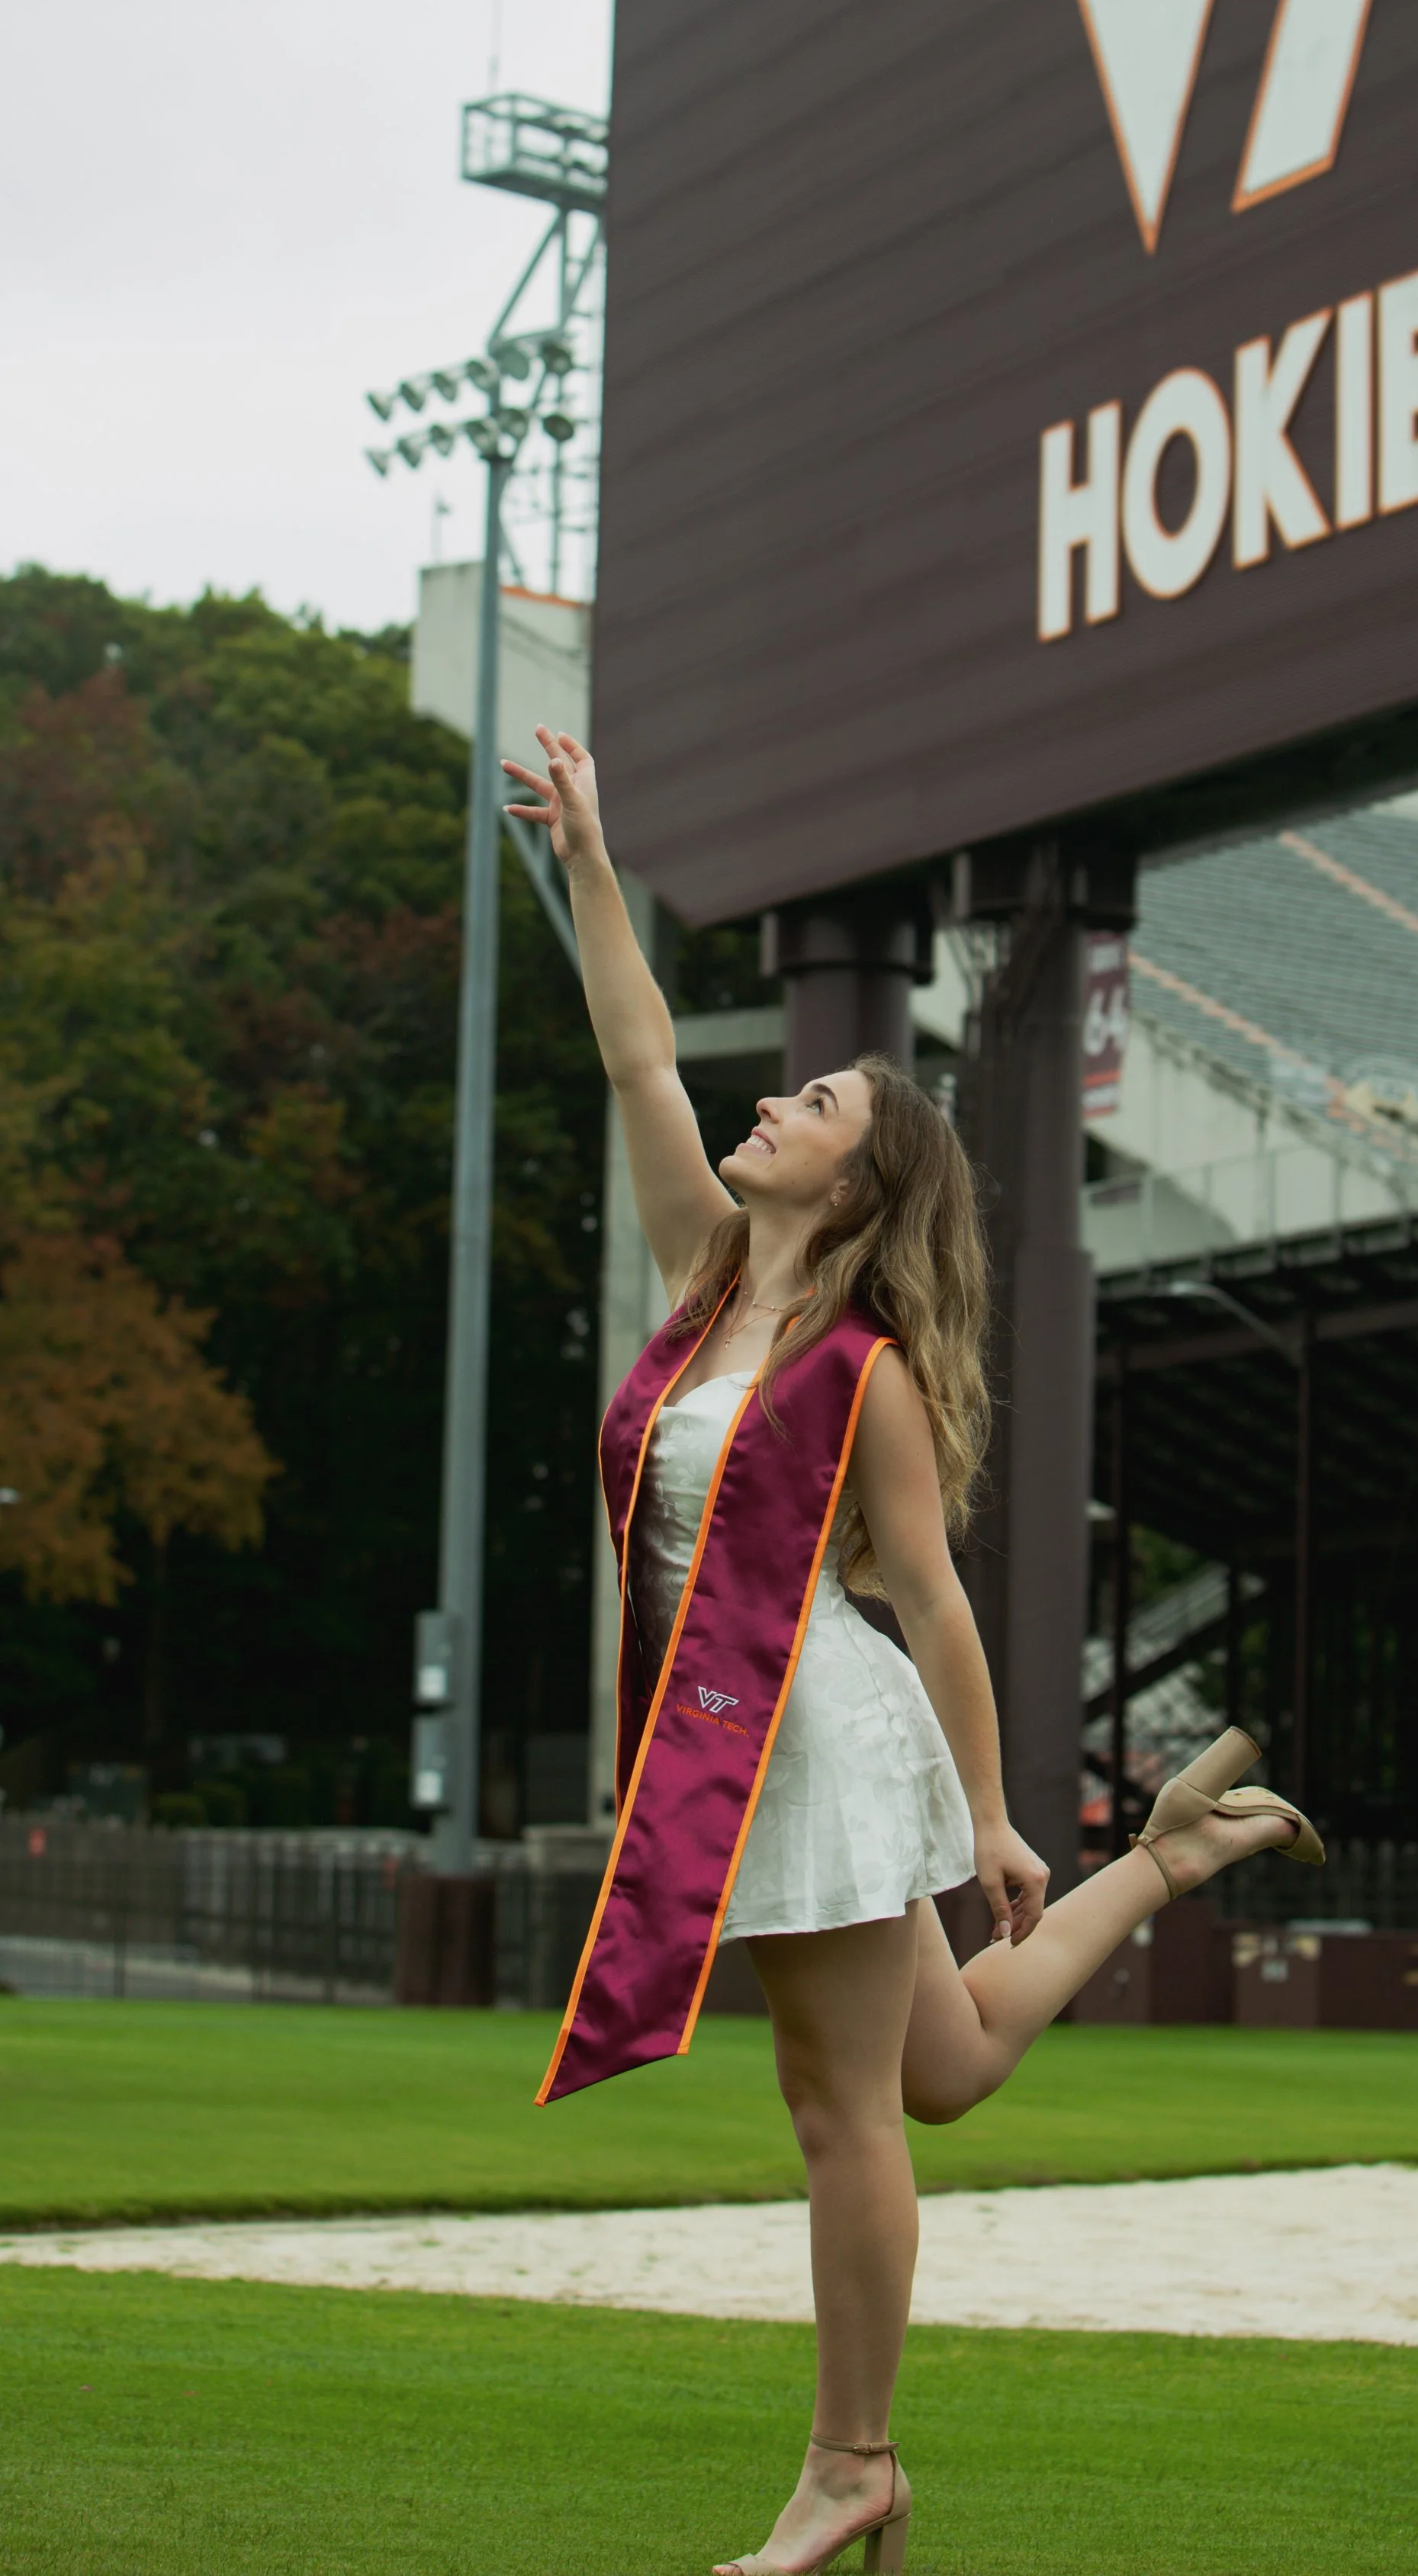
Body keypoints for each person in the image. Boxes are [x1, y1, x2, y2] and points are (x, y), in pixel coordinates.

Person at [503, 726, 1323, 2576]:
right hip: (744, 1734)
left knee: (838, 2104)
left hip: (808, 1739)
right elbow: (636, 1044)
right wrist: (592, 859)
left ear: (857, 1193)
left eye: (814, 1110)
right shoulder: (705, 1275)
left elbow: (928, 1600)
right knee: (937, 2073)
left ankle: (848, 2464)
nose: (776, 1106)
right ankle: (1168, 1864)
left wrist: (992, 1816)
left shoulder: (856, 1373)